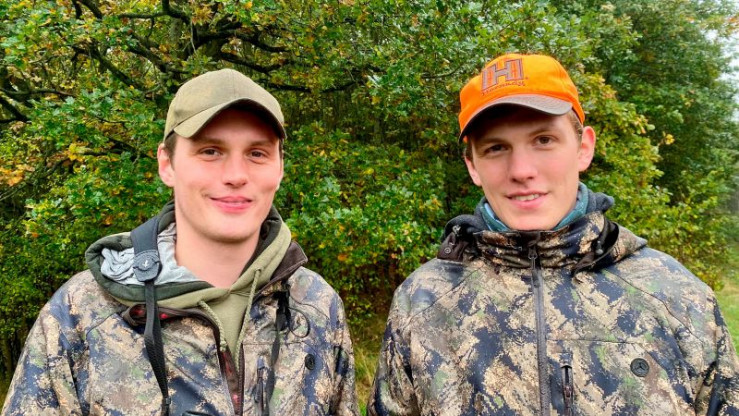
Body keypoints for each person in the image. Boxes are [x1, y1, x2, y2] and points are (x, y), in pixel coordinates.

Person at [368, 53, 739, 415]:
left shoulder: (676, 296)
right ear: (473, 166)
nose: (521, 170)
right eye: (496, 148)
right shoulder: (423, 302)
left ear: (583, 148)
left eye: (543, 140)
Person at [3, 69, 359, 416]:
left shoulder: (316, 307)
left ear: (279, 168)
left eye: (257, 153)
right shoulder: (80, 314)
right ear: (167, 164)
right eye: (210, 151)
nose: (236, 175)